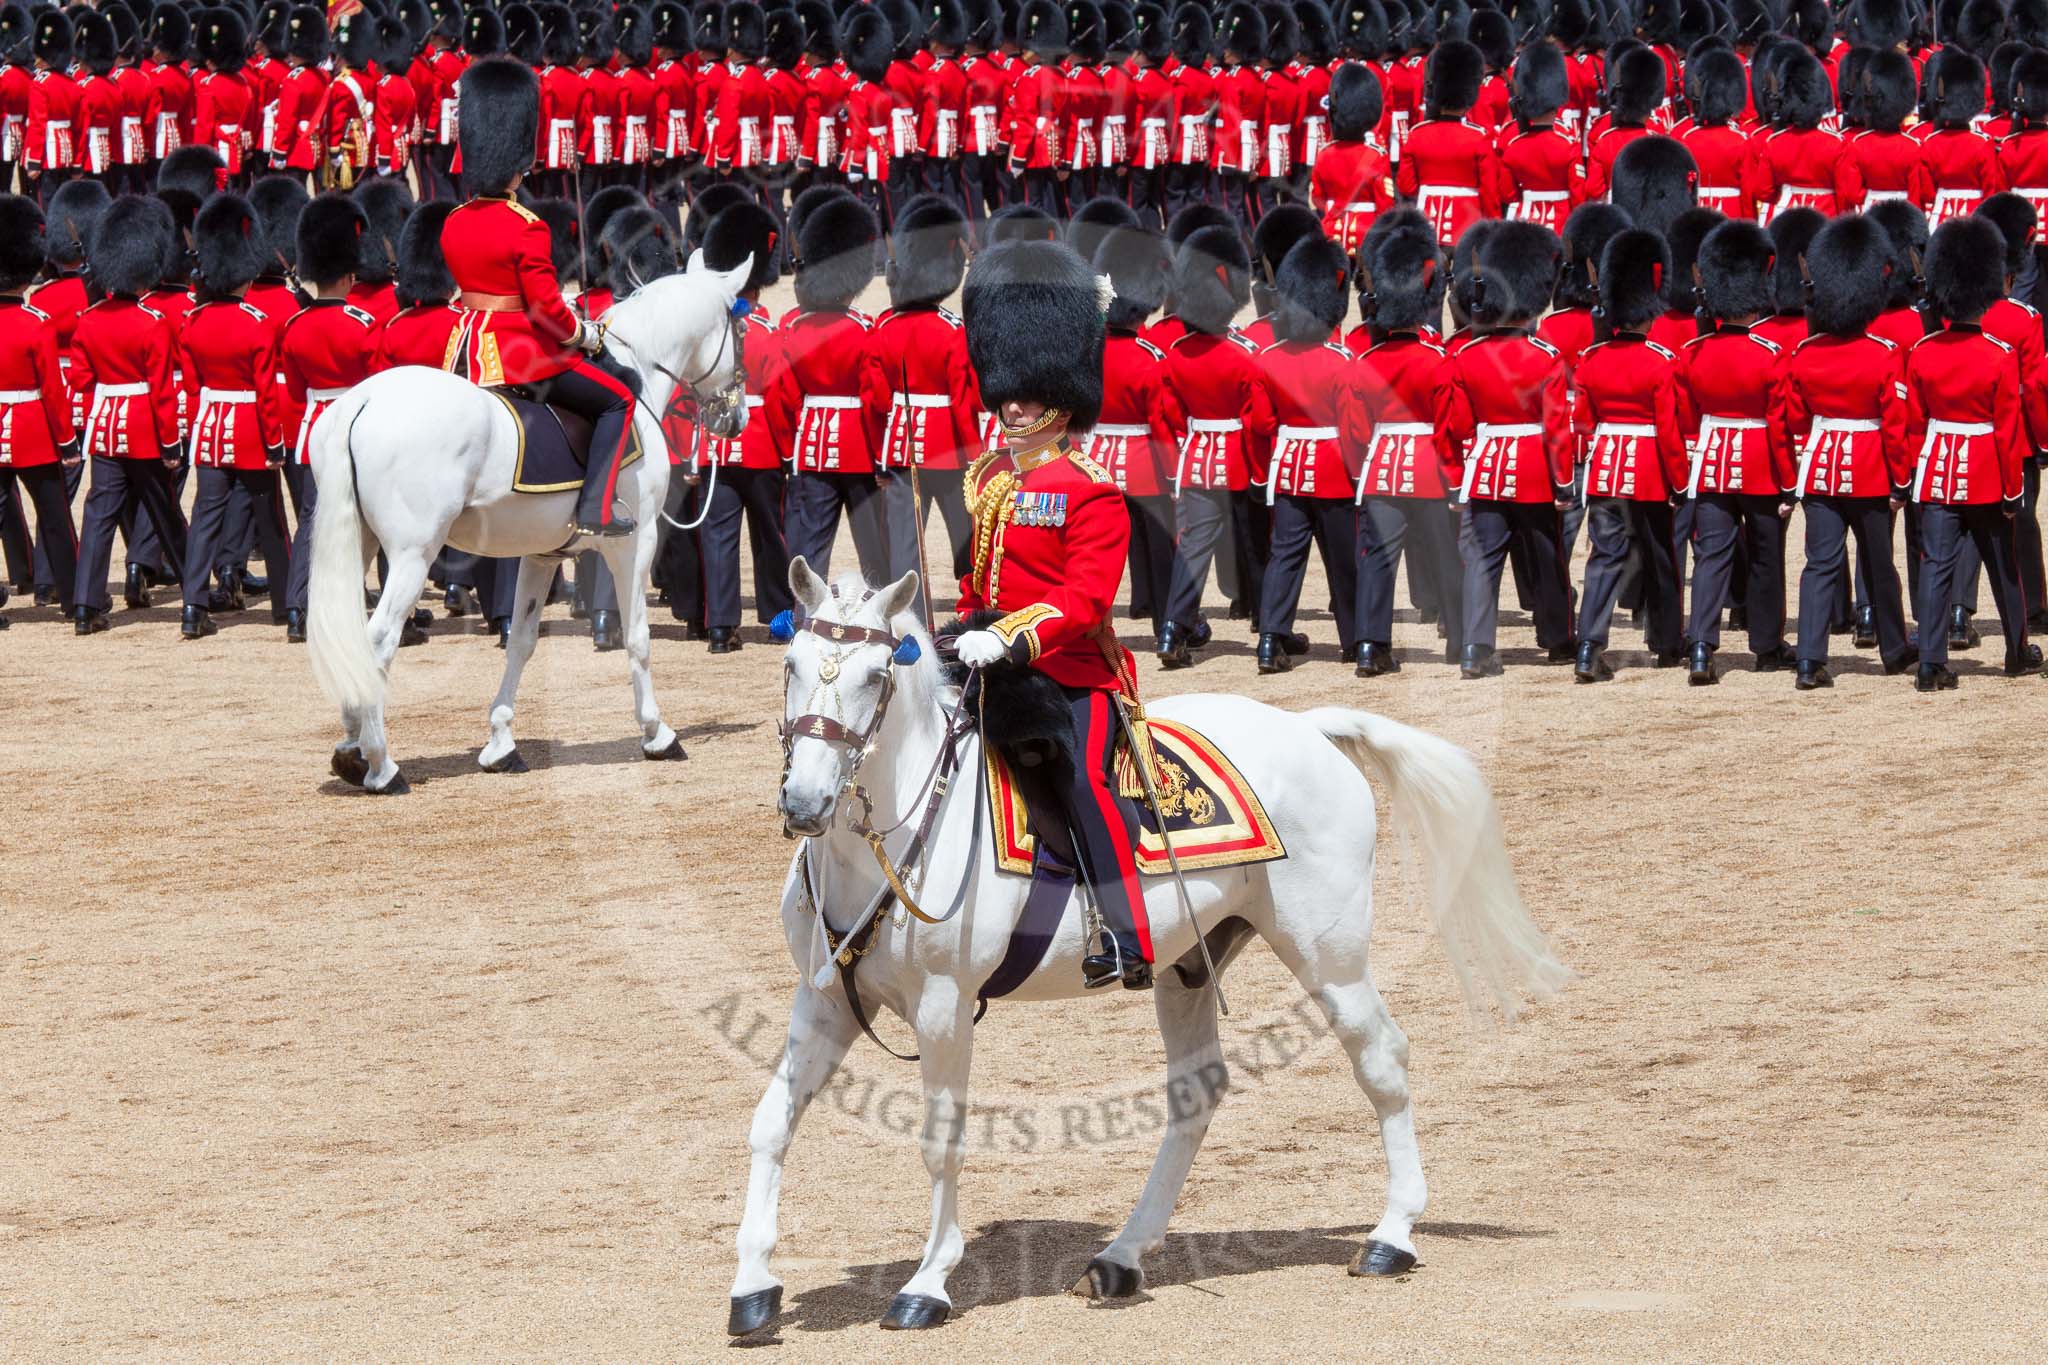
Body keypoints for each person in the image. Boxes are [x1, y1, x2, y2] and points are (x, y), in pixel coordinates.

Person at [949, 236, 1151, 989]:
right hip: (996, 660)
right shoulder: (993, 479)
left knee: (1083, 782)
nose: (1010, 404)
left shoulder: (1091, 487)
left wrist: (1009, 636)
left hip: (1072, 673)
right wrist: (962, 631)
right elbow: (980, 578)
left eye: (1024, 396)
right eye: (1005, 392)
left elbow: (1086, 600)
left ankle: (1126, 934)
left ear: (1060, 401)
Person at [441, 57, 637, 538]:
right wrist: (585, 333)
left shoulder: (453, 220)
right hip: (517, 353)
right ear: (517, 161)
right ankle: (596, 508)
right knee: (619, 400)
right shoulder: (527, 227)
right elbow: (547, 311)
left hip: (462, 346)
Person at [1779, 214, 1917, 689]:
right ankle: (1895, 649)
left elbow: (1796, 420)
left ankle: (1810, 659)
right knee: (1880, 564)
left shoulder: (1806, 352)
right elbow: (1895, 428)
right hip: (1870, 469)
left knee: (1819, 564)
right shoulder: (1883, 353)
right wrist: (1902, 480)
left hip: (1820, 468)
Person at [1438, 221, 1574, 677]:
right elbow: (1556, 428)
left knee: (1482, 559)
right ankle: (1558, 638)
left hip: (1486, 469)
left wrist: (1459, 480)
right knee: (1547, 557)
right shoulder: (1544, 356)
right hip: (1535, 469)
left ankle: (1476, 647)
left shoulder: (1465, 356)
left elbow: (1456, 425)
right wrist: (1564, 482)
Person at [1907, 216, 2039, 687]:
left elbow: (1915, 424)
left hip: (1939, 470)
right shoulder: (1999, 354)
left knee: (1936, 569)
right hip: (1986, 470)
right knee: (2006, 569)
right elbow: (2006, 431)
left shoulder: (1922, 351)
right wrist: (2011, 490)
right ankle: (2017, 650)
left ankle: (1930, 662)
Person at [1569, 228, 1689, 682]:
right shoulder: (1661, 361)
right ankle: (1665, 641)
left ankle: (1589, 645)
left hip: (1605, 468)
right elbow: (1668, 432)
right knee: (1661, 557)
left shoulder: (1592, 358)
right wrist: (1679, 482)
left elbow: (1581, 421)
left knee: (1604, 557)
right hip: (1650, 472)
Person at [1682, 219, 1797, 680]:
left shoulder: (1693, 352)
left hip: (1710, 460)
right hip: (1760, 465)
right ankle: (1766, 644)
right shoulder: (1770, 353)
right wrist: (1789, 482)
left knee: (1712, 556)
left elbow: (1688, 416)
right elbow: (1779, 424)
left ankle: (1701, 648)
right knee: (1766, 556)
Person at [1158, 222, 1275, 668]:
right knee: (1256, 547)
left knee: (1194, 549)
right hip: (1240, 460)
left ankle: (1173, 628)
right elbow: (1258, 421)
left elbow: (1171, 416)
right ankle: (1269, 626)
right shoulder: (1244, 356)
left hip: (1198, 461)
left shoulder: (1176, 355)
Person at [176, 192, 292, 640]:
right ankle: (288, 605)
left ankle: (192, 606)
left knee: (205, 519)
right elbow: (265, 392)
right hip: (249, 432)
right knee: (271, 519)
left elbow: (191, 387)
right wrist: (274, 441)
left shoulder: (194, 320)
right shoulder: (257, 322)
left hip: (209, 430)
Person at [70, 194, 185, 634]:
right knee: (165, 511)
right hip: (142, 427)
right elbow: (160, 390)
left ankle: (85, 605)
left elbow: (81, 380)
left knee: (99, 513)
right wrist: (171, 441)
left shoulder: (89, 320)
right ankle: (193, 588)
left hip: (104, 427)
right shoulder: (152, 321)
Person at [1352, 223, 1461, 676]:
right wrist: (1455, 479)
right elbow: (1448, 427)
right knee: (1444, 557)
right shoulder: (1436, 361)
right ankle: (1461, 640)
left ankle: (1369, 646)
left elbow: (1355, 431)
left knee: (1378, 561)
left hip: (1380, 469)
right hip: (1427, 468)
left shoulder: (1366, 363)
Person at [767, 192, 892, 579]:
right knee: (875, 552)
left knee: (810, 551)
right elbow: (876, 400)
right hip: (859, 452)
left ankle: (806, 621)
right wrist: (881, 455)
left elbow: (780, 398)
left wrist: (789, 452)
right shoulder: (865, 330)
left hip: (811, 451)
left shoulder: (792, 328)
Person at [861, 194, 980, 596]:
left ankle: (907, 618)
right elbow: (963, 402)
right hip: (948, 448)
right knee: (966, 537)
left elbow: (875, 401)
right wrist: (974, 456)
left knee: (904, 547)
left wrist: (880, 455)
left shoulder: (883, 328)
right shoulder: (951, 330)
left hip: (898, 447)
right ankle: (971, 606)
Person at [1255, 232, 1361, 672]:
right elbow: (1354, 430)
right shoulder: (1341, 361)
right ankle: (1355, 640)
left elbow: (1260, 424)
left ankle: (1269, 639)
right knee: (1344, 560)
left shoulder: (1268, 358)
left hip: (1288, 469)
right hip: (1334, 468)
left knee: (1285, 556)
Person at [692, 199, 794, 652]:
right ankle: (776, 616)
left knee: (717, 538)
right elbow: (781, 397)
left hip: (713, 444)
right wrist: (789, 450)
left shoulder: (705, 330)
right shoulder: (770, 332)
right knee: (770, 536)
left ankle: (720, 627)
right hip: (761, 445)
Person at [1089, 226, 1185, 648]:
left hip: (1096, 457)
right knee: (1160, 550)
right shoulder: (1152, 358)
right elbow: (1163, 424)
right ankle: (1168, 627)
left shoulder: (1088, 351)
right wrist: (1175, 473)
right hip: (1145, 464)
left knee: (1098, 553)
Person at [0, 194, 79, 622]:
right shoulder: (36, 323)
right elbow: (52, 388)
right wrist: (67, 440)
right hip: (33, 430)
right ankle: (73, 599)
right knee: (55, 518)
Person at [1396, 40, 1505, 246]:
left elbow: (1406, 186)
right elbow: (1489, 194)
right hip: (1468, 228)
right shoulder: (1479, 137)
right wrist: (1494, 228)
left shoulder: (1417, 134)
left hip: (1425, 226)